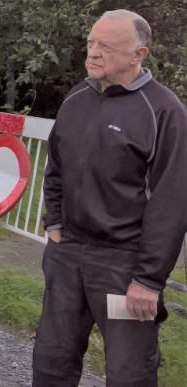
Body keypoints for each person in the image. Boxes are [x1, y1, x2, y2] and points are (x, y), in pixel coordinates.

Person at [33, 10, 187, 386]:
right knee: (52, 362)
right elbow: (56, 169)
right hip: (68, 256)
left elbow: (172, 202)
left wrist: (149, 280)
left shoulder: (164, 112)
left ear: (139, 54)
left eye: (106, 46)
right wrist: (54, 225)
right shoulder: (77, 98)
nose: (93, 53)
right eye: (90, 43)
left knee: (128, 373)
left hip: (124, 267)